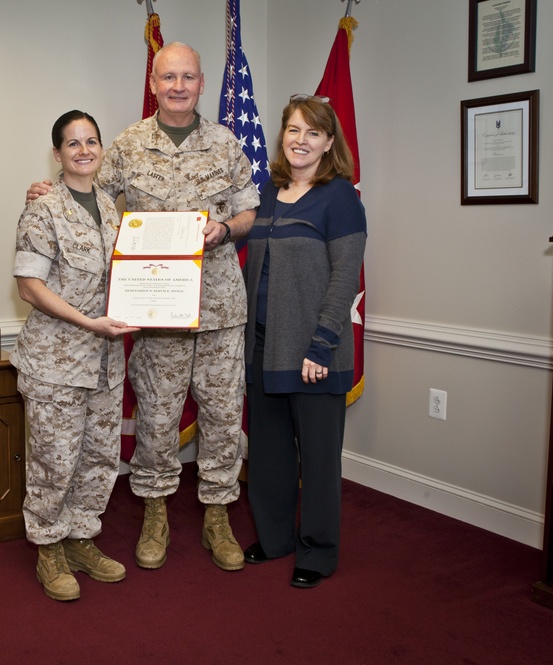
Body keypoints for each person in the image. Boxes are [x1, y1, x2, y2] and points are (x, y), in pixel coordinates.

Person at [27, 42, 258, 572]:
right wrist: (44, 191)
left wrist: (224, 229)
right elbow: (86, 198)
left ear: (202, 84)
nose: (178, 86)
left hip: (220, 308)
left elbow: (249, 211)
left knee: (224, 418)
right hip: (156, 311)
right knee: (156, 416)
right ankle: (155, 514)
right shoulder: (128, 145)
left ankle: (217, 519)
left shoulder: (226, 143)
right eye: (167, 77)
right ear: (153, 83)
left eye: (188, 78)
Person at [12, 110, 139, 601]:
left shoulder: (112, 209)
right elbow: (28, 287)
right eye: (73, 144)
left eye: (91, 142)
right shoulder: (43, 210)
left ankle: (82, 539)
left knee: (99, 458)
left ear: (101, 149)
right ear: (58, 153)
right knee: (54, 461)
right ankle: (48, 549)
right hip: (57, 362)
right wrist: (89, 323)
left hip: (107, 363)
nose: (83, 151)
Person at [240, 94, 366, 588]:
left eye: (313, 132)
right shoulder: (269, 193)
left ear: (329, 142)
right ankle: (275, 539)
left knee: (316, 460)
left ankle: (318, 551)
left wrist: (321, 344)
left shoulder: (340, 198)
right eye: (293, 130)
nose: (301, 140)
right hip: (264, 349)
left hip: (315, 351)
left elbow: (344, 278)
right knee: (269, 454)